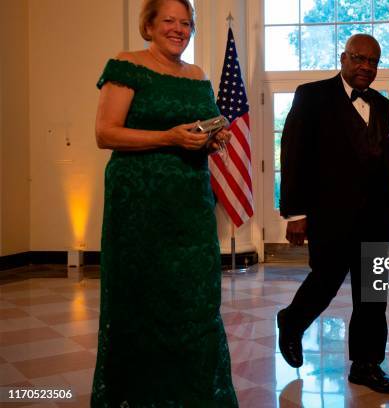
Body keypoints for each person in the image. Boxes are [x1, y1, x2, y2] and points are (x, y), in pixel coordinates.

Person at [91, 0, 237, 406]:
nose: (178, 29)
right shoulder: (126, 64)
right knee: (141, 301)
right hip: (138, 206)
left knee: (196, 302)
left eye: (186, 23)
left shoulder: (198, 75)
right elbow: (106, 134)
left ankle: (193, 395)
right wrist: (168, 138)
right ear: (149, 25)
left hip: (191, 206)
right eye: (169, 21)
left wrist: (215, 137)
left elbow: (209, 126)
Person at [278, 34, 389, 394]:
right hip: (330, 214)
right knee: (325, 282)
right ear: (343, 58)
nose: (366, 66)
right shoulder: (311, 96)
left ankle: (366, 364)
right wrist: (296, 213)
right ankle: (291, 321)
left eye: (373, 61)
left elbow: (387, 160)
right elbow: (293, 156)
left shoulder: (381, 104)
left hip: (377, 216)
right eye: (359, 59)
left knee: (373, 293)